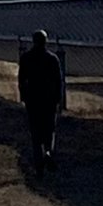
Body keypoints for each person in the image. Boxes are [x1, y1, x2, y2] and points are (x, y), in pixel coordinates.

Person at [16, 28, 67, 178]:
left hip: (33, 99)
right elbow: (59, 81)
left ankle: (38, 165)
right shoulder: (52, 59)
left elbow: (21, 79)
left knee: (35, 132)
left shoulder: (26, 58)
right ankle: (49, 152)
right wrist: (58, 99)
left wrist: (23, 96)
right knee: (50, 129)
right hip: (49, 100)